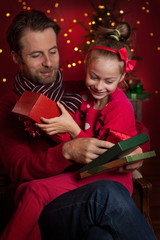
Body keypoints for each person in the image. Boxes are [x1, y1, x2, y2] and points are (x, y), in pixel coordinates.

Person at [0, 9, 156, 240]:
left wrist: (137, 150)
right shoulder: (8, 106)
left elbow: (128, 123)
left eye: (52, 51)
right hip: (47, 204)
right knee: (106, 195)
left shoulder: (75, 90)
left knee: (99, 235)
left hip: (88, 191)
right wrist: (66, 151)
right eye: (36, 55)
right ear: (16, 57)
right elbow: (19, 170)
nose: (48, 62)